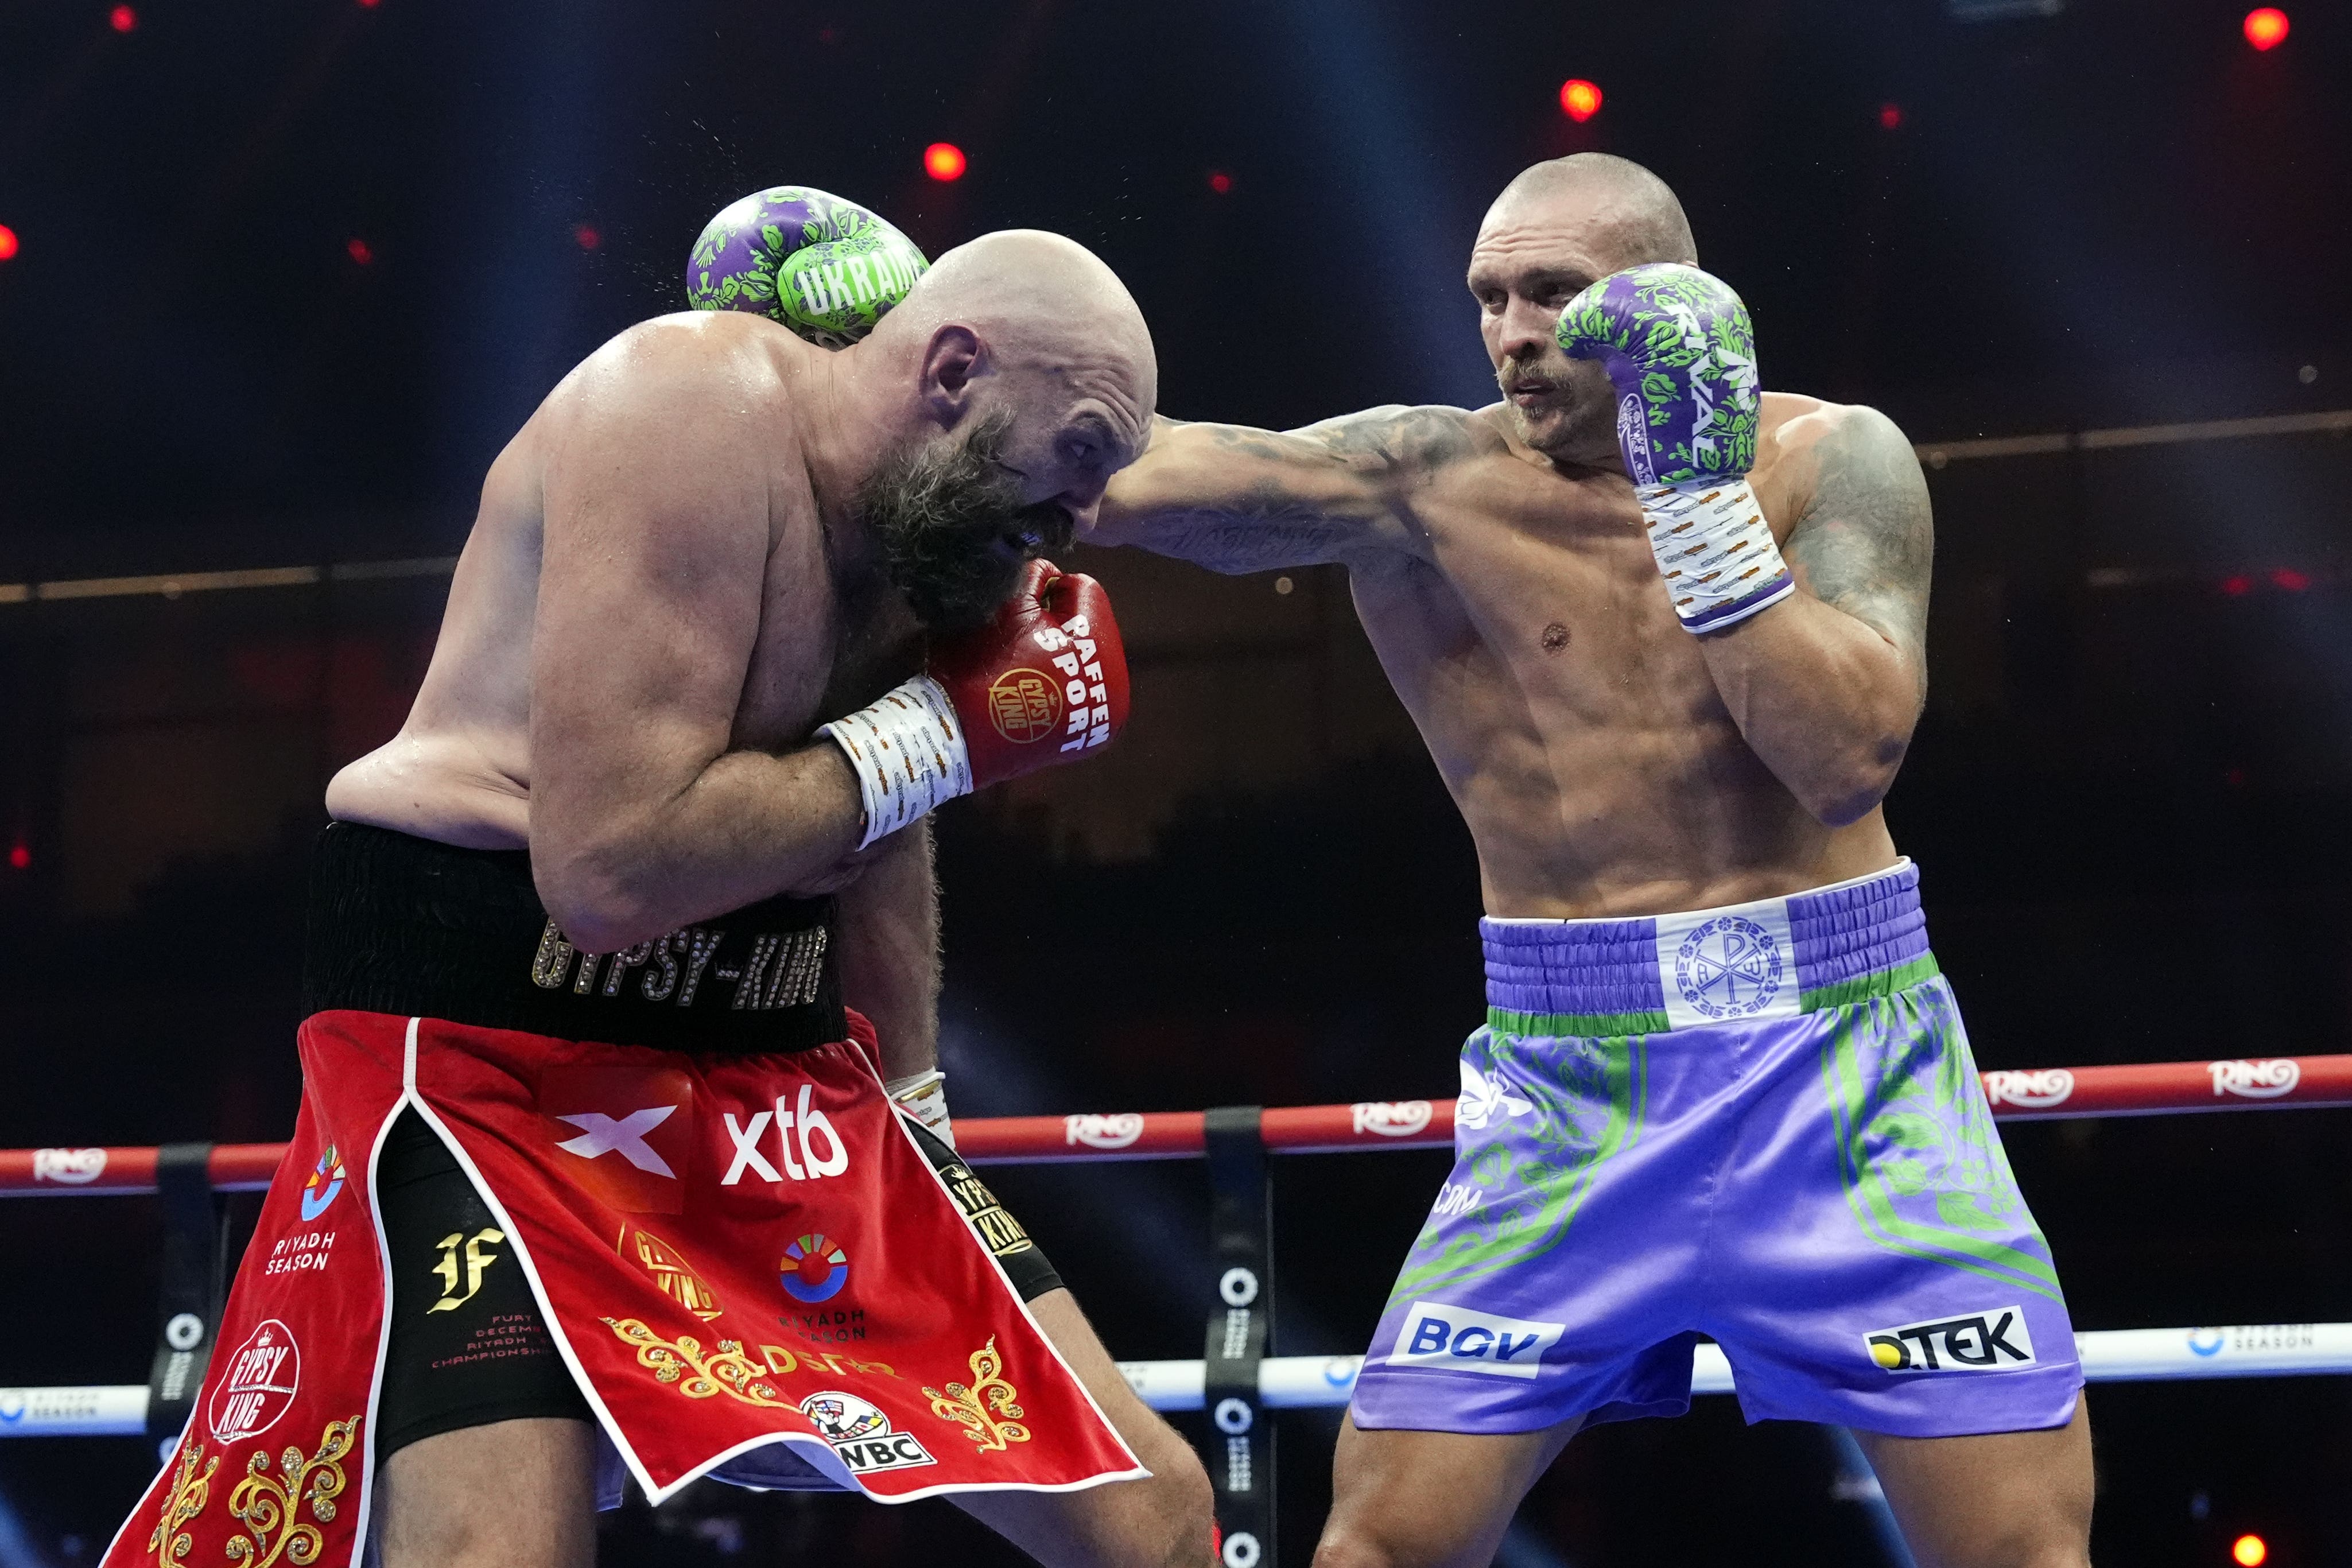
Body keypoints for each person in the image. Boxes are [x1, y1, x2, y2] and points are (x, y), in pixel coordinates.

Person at [100, 221, 1212, 1568]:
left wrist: (913, 1105)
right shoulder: (687, 408)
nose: (1082, 520)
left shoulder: (944, 532)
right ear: (953, 369)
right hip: (492, 1054)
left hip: (772, 1055)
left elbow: (883, 828)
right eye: (1081, 453)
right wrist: (939, 736)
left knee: (1154, 1520)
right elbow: (612, 872)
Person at [1096, 153, 2093, 1568]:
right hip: (1574, 1079)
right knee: (1380, 1541)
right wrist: (906, 390)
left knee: (2024, 1552)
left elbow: (1844, 757)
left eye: (1552, 294)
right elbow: (1132, 474)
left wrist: (1698, 500)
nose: (1511, 331)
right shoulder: (1422, 481)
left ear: (1661, 301)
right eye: (1490, 296)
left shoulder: (1830, 459)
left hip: (1849, 1069)